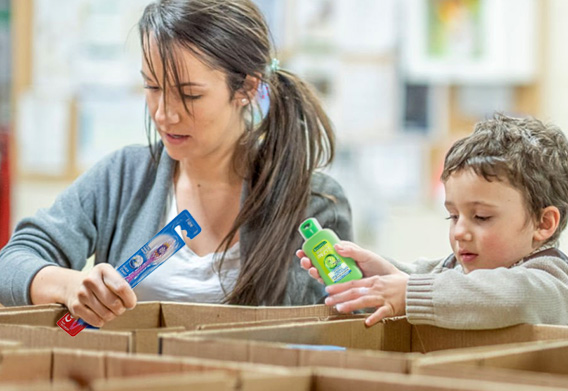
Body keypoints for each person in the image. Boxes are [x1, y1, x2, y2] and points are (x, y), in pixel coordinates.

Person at [0, 0, 353, 326]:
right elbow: (11, 264)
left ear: (246, 88)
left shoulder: (313, 202)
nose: (164, 113)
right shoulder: (123, 178)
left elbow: (347, 324)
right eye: (152, 87)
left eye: (190, 95)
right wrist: (68, 285)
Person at [298, 113, 568, 328]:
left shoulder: (552, 280)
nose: (460, 232)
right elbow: (426, 276)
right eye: (453, 216)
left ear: (544, 224)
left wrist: (408, 292)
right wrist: (377, 275)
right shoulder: (459, 273)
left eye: (481, 217)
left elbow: (511, 296)